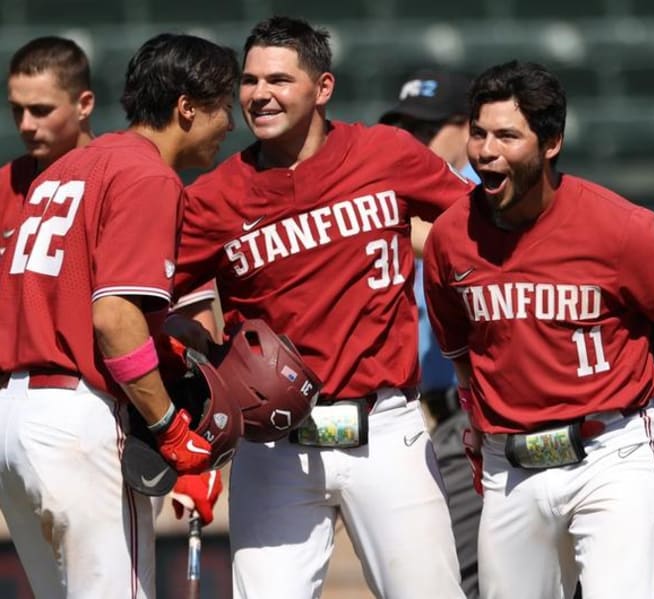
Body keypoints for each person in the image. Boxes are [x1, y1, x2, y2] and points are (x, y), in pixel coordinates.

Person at [422, 59, 654, 599]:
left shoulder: (620, 228)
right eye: (479, 133)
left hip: (612, 455)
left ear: (551, 142)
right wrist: (474, 426)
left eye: (507, 136)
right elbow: (461, 349)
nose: (486, 150)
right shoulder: (450, 237)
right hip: (509, 464)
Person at [172, 16, 473, 599]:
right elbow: (155, 304)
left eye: (280, 79)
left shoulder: (387, 153)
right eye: (251, 80)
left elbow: (477, 231)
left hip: (387, 432)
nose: (261, 93)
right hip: (272, 447)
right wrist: (201, 360)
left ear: (323, 88)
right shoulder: (212, 198)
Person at [0, 33, 239, 598]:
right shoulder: (148, 175)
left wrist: (168, 332)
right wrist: (171, 432)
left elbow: (76, 302)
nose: (230, 123)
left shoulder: (64, 170)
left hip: (16, 417)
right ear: (187, 107)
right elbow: (112, 318)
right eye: (223, 106)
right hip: (79, 421)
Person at [379, 67, 482, 598]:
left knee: (470, 575)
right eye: (403, 129)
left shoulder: (492, 199)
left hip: (474, 413)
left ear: (468, 127)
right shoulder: (387, 199)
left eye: (425, 129)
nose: (412, 141)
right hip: (410, 419)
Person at [1, 36, 95, 258]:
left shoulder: (118, 181)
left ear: (84, 105)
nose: (26, 125)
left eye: (41, 110)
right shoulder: (6, 184)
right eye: (17, 109)